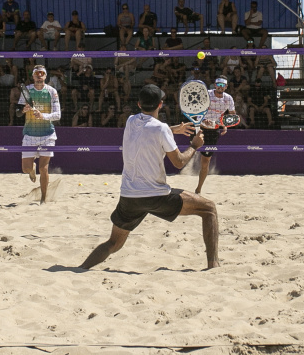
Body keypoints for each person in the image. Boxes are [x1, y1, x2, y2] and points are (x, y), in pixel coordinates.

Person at [78, 84, 218, 270]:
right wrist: (194, 145)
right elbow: (179, 163)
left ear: (138, 104)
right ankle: (213, 266)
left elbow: (150, 127)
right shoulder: (161, 130)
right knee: (209, 209)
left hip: (129, 197)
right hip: (156, 196)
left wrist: (172, 129)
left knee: (113, 244)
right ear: (160, 105)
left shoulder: (130, 121)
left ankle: (81, 268)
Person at [16, 65, 61, 204]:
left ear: (45, 76)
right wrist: (24, 109)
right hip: (30, 134)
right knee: (26, 168)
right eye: (37, 73)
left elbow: (58, 115)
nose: (39, 75)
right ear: (33, 76)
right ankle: (31, 170)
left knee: (44, 168)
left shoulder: (52, 91)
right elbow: (17, 113)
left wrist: (43, 116)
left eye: (42, 73)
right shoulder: (27, 90)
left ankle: (43, 199)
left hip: (47, 135)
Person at [196, 76, 236, 195]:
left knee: (205, 162)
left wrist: (225, 125)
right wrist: (202, 120)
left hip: (213, 130)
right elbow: (195, 109)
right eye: (218, 84)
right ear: (214, 85)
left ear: (226, 86)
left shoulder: (228, 98)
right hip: (199, 127)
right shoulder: (207, 94)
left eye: (223, 84)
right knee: (189, 152)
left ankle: (198, 189)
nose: (220, 86)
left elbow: (232, 115)